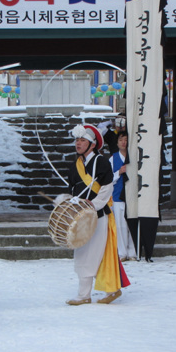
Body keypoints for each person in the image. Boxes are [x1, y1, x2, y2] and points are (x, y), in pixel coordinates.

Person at [64, 124, 130, 305]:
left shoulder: (101, 162)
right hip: (81, 217)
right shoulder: (74, 166)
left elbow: (107, 189)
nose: (78, 143)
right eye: (77, 140)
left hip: (98, 215)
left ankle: (99, 292)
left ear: (92, 144)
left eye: (82, 140)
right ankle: (85, 294)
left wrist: (91, 206)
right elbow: (72, 190)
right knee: (82, 252)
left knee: (94, 254)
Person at [109, 130, 136, 261]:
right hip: (118, 195)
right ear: (117, 142)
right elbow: (108, 179)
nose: (123, 142)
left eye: (125, 140)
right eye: (121, 140)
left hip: (132, 196)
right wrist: (119, 172)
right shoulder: (113, 158)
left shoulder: (134, 157)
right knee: (120, 225)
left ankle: (132, 252)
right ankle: (122, 252)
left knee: (132, 223)